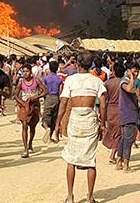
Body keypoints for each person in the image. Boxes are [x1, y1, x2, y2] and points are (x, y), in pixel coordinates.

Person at [57, 54, 107, 203]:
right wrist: (102, 125)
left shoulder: (70, 80)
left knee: (71, 160)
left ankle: (71, 197)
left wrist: (57, 124)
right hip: (90, 120)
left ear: (78, 64)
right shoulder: (97, 81)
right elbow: (103, 105)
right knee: (91, 161)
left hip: (75, 120)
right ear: (90, 64)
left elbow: (63, 104)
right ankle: (90, 197)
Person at [15, 61, 45, 158]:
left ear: (30, 72)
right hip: (24, 106)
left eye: (27, 71)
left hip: (34, 106)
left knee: (32, 127)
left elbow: (45, 90)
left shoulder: (36, 81)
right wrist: (23, 103)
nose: (25, 73)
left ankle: (30, 143)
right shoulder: (21, 83)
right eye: (23, 72)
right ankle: (25, 149)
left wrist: (36, 97)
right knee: (24, 126)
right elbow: (15, 95)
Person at [117, 61, 140, 172]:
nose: (136, 74)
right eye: (134, 71)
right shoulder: (125, 81)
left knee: (124, 139)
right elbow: (128, 89)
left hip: (129, 113)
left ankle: (119, 162)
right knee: (128, 140)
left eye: (137, 71)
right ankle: (126, 165)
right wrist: (132, 77)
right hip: (128, 113)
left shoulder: (132, 81)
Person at [101, 62, 123, 165]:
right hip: (121, 109)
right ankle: (113, 155)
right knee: (118, 133)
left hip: (110, 109)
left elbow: (103, 100)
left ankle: (114, 152)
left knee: (113, 130)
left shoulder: (107, 83)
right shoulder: (124, 83)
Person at [42, 60, 64, 144]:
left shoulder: (46, 78)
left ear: (50, 69)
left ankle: (46, 128)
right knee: (54, 118)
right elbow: (61, 91)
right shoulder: (59, 79)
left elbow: (44, 89)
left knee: (45, 117)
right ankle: (50, 137)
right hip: (56, 98)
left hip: (48, 97)